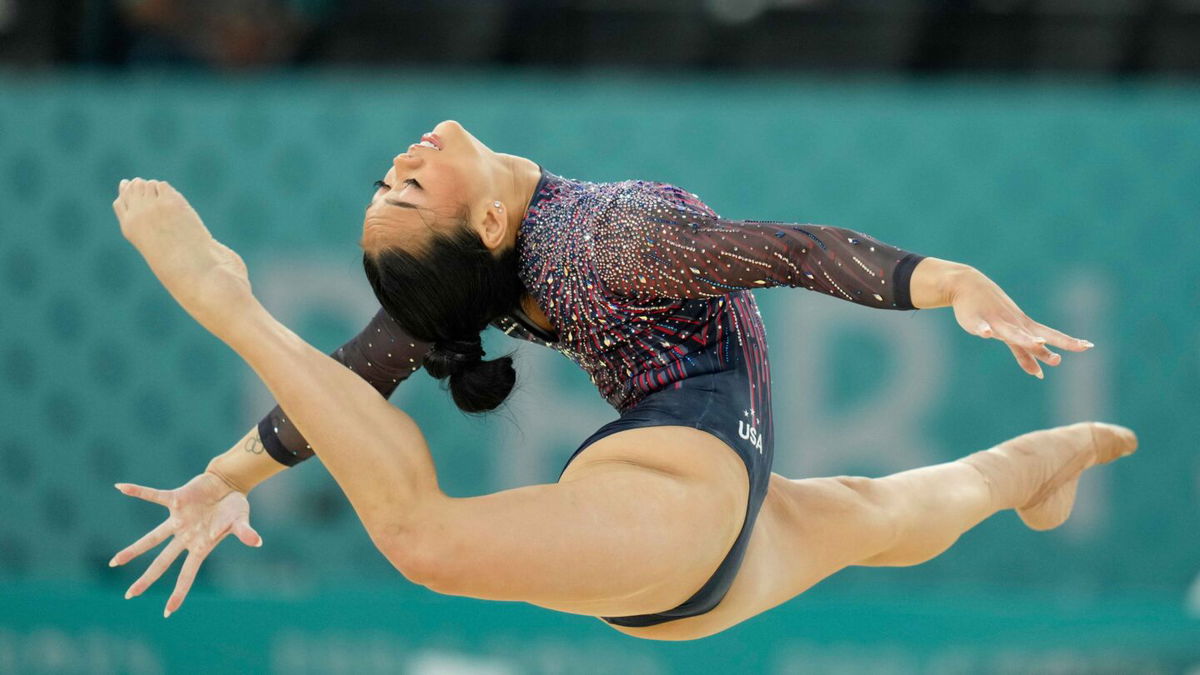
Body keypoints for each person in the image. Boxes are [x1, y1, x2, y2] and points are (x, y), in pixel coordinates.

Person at [107, 120, 1137, 640]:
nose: (402, 161)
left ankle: (1041, 461)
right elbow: (794, 251)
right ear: (492, 227)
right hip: (681, 504)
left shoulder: (527, 258)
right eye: (408, 188)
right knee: (422, 538)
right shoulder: (611, 241)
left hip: (691, 561)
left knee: (896, 514)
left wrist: (226, 476)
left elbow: (362, 376)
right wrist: (944, 280)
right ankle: (225, 302)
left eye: (394, 184)